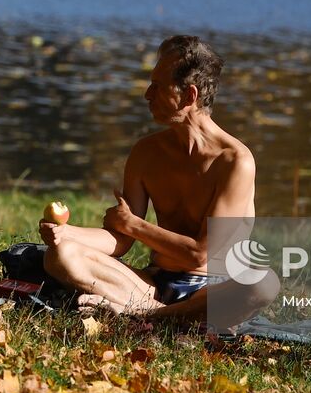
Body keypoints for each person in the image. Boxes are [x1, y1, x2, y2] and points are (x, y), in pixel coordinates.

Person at [40, 35, 278, 327]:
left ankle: (149, 316)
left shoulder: (235, 161)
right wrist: (67, 234)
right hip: (152, 285)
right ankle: (161, 315)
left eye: (158, 86)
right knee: (60, 256)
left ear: (189, 96)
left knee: (263, 283)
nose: (147, 94)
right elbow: (121, 239)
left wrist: (133, 225)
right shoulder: (146, 152)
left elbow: (198, 254)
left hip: (212, 290)